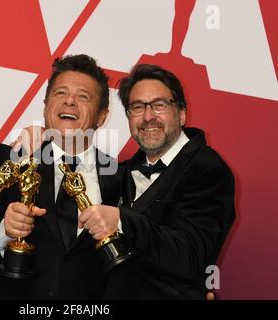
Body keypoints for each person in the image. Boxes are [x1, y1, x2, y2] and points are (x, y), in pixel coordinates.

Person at [0, 54, 122, 299]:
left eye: (83, 96)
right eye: (60, 93)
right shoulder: (11, 157)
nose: (69, 101)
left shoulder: (120, 178)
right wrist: (4, 230)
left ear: (101, 116)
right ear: (46, 105)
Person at [83, 63, 235, 299]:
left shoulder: (207, 168)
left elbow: (189, 256)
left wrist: (123, 221)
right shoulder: (121, 172)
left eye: (159, 105)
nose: (148, 116)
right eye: (137, 107)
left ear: (182, 113)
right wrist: (43, 143)